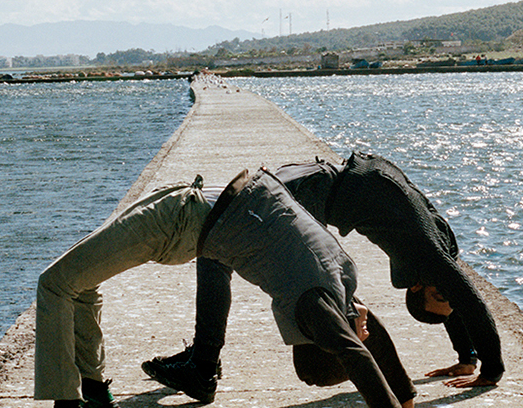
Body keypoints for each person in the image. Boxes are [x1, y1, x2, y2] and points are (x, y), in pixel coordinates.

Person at [148, 149, 503, 395]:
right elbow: (464, 296)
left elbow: (455, 297)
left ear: (416, 288)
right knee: (218, 249)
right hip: (312, 185)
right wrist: (485, 366)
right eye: (443, 292)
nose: (444, 287)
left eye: (438, 294)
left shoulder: (432, 254)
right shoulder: (435, 253)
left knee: (217, 250)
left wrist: (467, 358)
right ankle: (203, 363)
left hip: (312, 189)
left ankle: (203, 365)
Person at [148, 167, 414, 408]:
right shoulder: (318, 298)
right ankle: (202, 363)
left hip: (262, 204)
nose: (364, 326)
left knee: (316, 368)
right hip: (251, 209)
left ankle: (202, 363)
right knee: (340, 342)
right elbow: (355, 349)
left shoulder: (317, 300)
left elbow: (353, 353)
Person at [32, 175, 212, 408]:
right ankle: (92, 390)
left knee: (54, 284)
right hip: (182, 210)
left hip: (174, 213)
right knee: (81, 281)